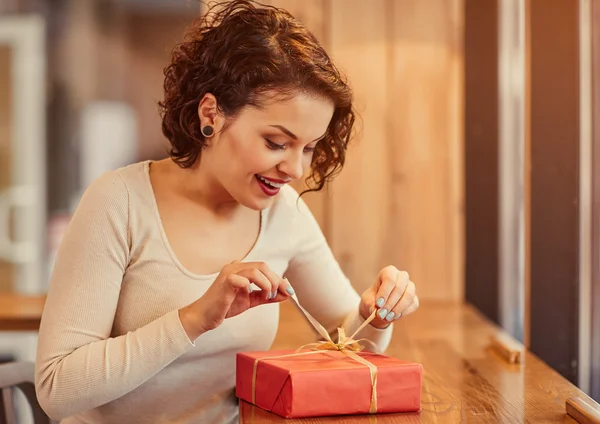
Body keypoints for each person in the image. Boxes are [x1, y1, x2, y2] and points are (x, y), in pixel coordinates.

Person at [35, 1, 419, 423]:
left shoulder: (282, 214)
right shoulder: (119, 203)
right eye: (276, 142)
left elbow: (354, 348)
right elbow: (57, 388)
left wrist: (375, 315)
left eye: (308, 148)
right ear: (211, 115)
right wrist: (194, 319)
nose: (295, 169)